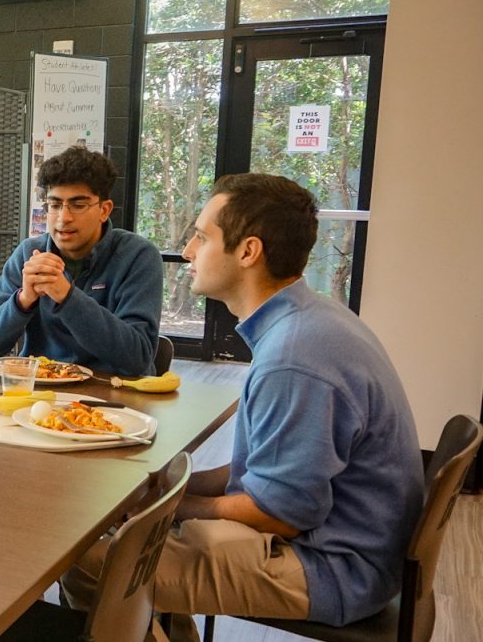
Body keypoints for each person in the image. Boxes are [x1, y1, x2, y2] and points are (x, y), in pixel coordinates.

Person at [62, 173, 424, 641]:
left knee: (91, 564)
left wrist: (173, 509)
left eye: (201, 237)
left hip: (330, 568)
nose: (188, 252)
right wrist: (165, 493)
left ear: (248, 252)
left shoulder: (295, 355)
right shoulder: (312, 318)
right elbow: (264, 473)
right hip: (349, 546)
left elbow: (279, 515)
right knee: (136, 538)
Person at [0, 147, 163, 374]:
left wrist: (67, 298)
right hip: (40, 393)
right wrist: (23, 300)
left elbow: (138, 357)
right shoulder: (30, 254)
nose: (64, 218)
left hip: (113, 398)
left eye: (78, 205)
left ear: (104, 210)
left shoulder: (138, 256)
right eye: (54, 205)